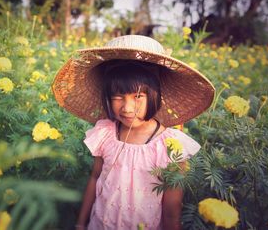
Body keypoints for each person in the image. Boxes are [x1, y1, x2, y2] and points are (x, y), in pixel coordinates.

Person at [52, 35, 215, 230]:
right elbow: (95, 177)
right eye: (118, 96)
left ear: (155, 95)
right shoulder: (106, 133)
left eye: (138, 96)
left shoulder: (169, 146)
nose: (127, 108)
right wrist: (80, 223)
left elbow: (172, 212)